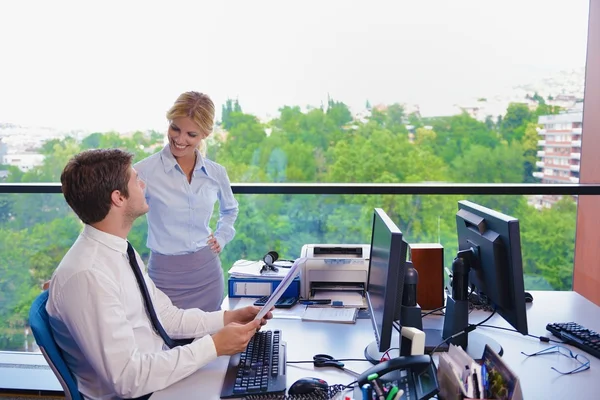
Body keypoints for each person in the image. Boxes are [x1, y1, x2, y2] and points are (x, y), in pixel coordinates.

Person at [46, 149, 269, 400]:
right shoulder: (88, 276)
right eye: (135, 179)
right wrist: (214, 346)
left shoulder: (119, 250)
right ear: (118, 197)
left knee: (250, 381)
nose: (143, 184)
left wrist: (228, 318)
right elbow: (127, 379)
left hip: (158, 374)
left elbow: (165, 316)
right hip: (141, 393)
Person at [134, 91, 238, 312]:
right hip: (163, 278)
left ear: (205, 134)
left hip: (207, 274)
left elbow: (230, 210)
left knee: (211, 342)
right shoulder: (143, 172)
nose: (180, 140)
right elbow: (115, 218)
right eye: (175, 129)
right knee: (165, 342)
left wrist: (222, 236)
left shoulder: (216, 173)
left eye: (191, 134)